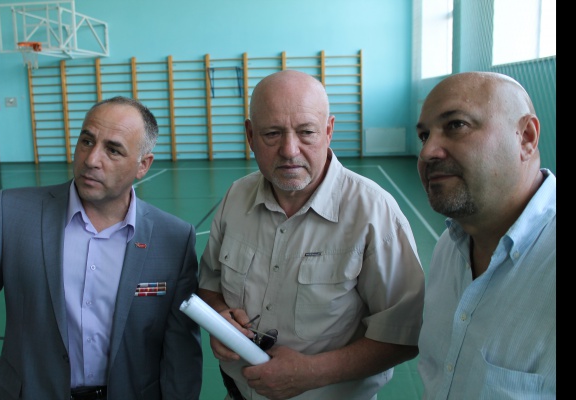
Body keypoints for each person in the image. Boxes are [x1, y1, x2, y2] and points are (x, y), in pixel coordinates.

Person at [197, 70, 425, 400]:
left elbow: (404, 334)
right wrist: (220, 316)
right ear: (250, 135)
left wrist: (314, 373)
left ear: (328, 131)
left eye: (306, 132)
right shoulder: (236, 197)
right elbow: (210, 283)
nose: (290, 150)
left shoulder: (374, 212)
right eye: (272, 134)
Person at [0, 96, 203, 399]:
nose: (91, 159)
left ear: (143, 165)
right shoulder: (14, 213)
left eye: (113, 150)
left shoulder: (173, 238)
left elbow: (181, 351)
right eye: (86, 141)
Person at [415, 72, 556, 398]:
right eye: (424, 135)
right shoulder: (449, 246)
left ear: (526, 137)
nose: (427, 152)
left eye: (456, 125)